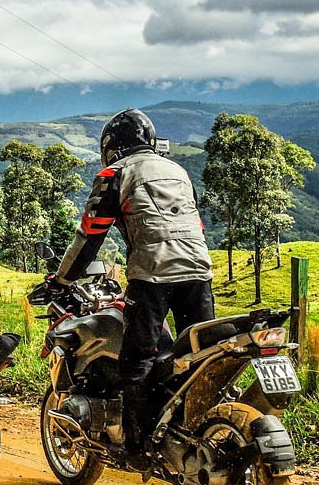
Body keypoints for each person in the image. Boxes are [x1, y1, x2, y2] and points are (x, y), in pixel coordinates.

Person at [51, 108, 213, 463]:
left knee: (139, 359)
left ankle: (138, 447)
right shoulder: (179, 172)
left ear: (111, 146)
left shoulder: (115, 173)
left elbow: (91, 233)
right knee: (196, 356)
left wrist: (63, 278)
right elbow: (195, 224)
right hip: (200, 271)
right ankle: (194, 428)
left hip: (152, 275)